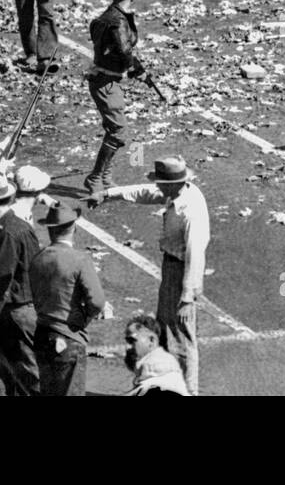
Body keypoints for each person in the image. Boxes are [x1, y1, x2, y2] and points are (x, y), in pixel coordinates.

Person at [91, 156, 207, 394]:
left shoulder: (190, 210)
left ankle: (189, 391)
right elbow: (146, 193)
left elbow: (196, 256)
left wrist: (187, 297)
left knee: (182, 335)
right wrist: (109, 194)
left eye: (161, 183)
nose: (158, 188)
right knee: (165, 328)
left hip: (182, 271)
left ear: (173, 183)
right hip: (171, 266)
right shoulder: (176, 192)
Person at [0, 169, 41, 395]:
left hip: (16, 312)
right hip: (19, 308)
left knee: (25, 374)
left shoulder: (6, 233)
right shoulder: (12, 226)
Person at [28, 201, 105, 396]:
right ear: (74, 228)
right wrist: (84, 318)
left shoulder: (38, 259)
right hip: (69, 336)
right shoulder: (80, 260)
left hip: (42, 334)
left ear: (50, 230)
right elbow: (97, 302)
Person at [83, 0, 144, 195]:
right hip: (106, 82)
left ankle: (105, 174)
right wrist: (138, 70)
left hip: (105, 79)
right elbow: (124, 50)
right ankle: (95, 177)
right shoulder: (118, 21)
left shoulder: (105, 17)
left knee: (115, 129)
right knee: (119, 131)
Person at [124, 313, 189, 396]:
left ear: (151, 340)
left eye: (132, 341)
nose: (127, 347)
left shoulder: (154, 368)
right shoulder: (160, 363)